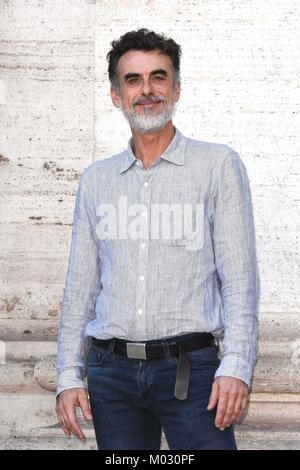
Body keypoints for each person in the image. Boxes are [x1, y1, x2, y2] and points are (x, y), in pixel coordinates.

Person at [55, 28, 260, 450]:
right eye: (133, 80)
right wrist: (68, 374)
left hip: (194, 372)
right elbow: (80, 287)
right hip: (111, 376)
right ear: (116, 95)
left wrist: (237, 365)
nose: (146, 90)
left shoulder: (217, 165)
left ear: (177, 88)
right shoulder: (96, 181)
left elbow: (240, 278)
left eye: (158, 77)